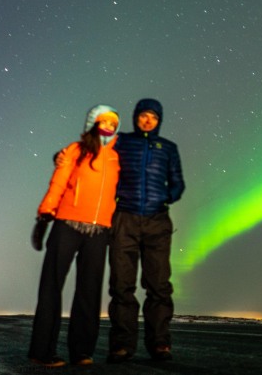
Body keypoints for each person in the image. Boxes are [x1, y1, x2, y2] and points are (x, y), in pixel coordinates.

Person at [28, 105, 120, 368]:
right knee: (51, 286)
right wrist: (45, 214)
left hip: (99, 231)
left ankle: (81, 351)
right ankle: (42, 350)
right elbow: (58, 182)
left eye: (114, 123)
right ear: (93, 123)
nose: (109, 126)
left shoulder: (117, 157)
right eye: (104, 121)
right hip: (67, 224)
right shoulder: (75, 150)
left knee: (89, 292)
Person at [107, 98, 186, 363]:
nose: (148, 120)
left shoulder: (168, 148)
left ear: (159, 120)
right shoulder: (121, 141)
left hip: (157, 221)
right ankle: (122, 345)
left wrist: (165, 198)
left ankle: (160, 344)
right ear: (136, 117)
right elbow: (97, 156)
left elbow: (178, 183)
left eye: (153, 116)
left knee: (159, 285)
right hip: (124, 218)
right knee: (121, 285)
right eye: (144, 115)